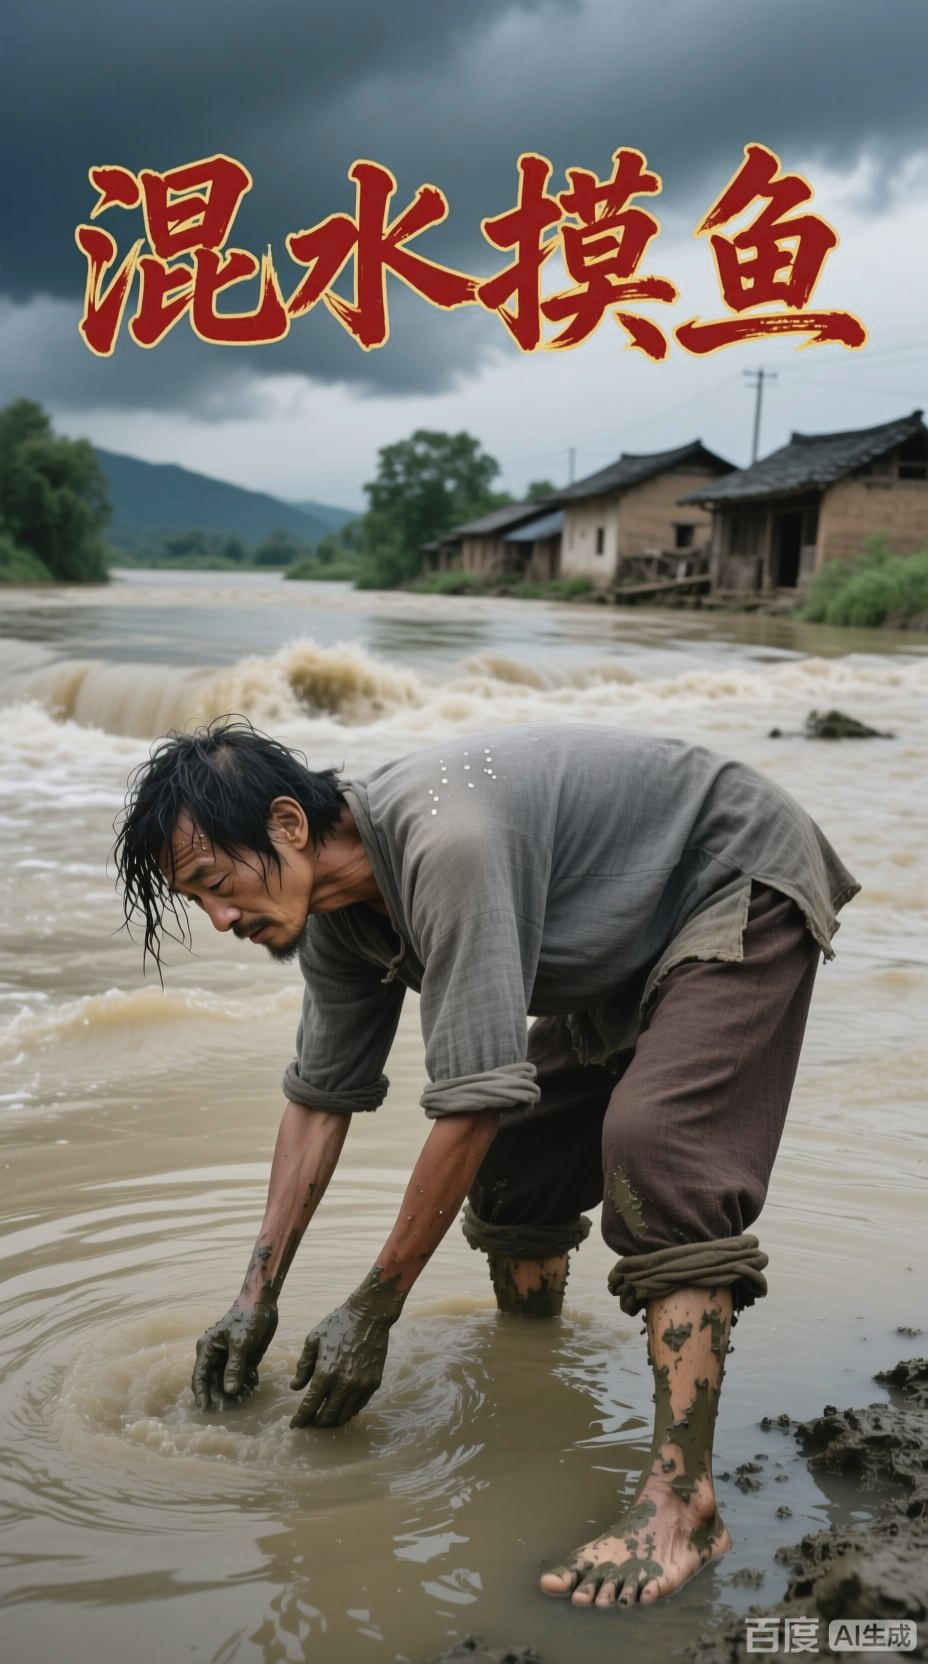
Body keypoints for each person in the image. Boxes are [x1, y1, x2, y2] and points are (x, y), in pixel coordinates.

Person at [114, 716, 858, 1609]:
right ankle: (530, 1359)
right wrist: (253, 1297)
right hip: (622, 928)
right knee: (519, 1160)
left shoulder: (446, 848)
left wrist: (375, 1306)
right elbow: (320, 1100)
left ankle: (682, 1502)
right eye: (195, 900)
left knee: (657, 1148)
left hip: (732, 874)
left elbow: (472, 1102)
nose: (220, 917)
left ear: (287, 826)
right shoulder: (340, 920)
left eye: (213, 883)